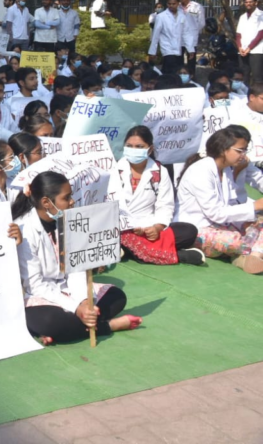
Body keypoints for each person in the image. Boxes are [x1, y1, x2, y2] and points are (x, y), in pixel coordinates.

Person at [14, 171, 141, 344]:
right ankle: (108, 326)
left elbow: (77, 268)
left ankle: (66, 330)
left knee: (116, 297)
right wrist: (76, 308)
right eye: (66, 198)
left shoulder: (71, 220)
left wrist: (84, 302)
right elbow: (36, 285)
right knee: (50, 321)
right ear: (46, 202)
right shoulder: (24, 229)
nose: (72, 201)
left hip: (68, 289)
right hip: (40, 296)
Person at [176, 125, 263, 274]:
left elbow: (232, 204)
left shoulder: (226, 168)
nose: (244, 155)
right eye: (239, 151)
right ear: (223, 149)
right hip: (198, 229)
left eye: (245, 150)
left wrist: (247, 220)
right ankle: (248, 253)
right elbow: (216, 213)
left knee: (258, 224)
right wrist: (255, 206)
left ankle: (253, 256)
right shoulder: (201, 170)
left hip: (223, 225)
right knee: (235, 241)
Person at [116, 126, 203, 266]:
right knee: (113, 234)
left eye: (139, 147)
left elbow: (165, 205)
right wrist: (126, 225)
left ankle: (127, 250)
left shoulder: (160, 172)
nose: (133, 150)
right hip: (119, 227)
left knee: (189, 231)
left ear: (150, 149)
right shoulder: (113, 169)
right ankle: (177, 255)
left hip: (147, 227)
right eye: (129, 146)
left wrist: (156, 228)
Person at [149, 0, 192, 74]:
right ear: (167, 4)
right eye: (169, 4)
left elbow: (186, 33)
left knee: (178, 70)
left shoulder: (182, 16)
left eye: (173, 4)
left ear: (178, 4)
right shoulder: (161, 17)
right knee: (170, 68)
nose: (171, 6)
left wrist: (190, 49)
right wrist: (152, 52)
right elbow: (156, 35)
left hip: (178, 48)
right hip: (167, 48)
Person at [236, 0, 263, 85]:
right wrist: (239, 47)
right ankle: (245, 93)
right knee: (243, 77)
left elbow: (260, 34)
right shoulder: (242, 17)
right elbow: (238, 34)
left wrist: (249, 48)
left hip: (257, 51)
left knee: (257, 78)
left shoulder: (261, 15)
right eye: (246, 2)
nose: (248, 4)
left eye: (251, 2)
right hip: (242, 51)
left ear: (256, 3)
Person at [178, 0, 205, 71]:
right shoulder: (177, 7)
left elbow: (201, 23)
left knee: (191, 60)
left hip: (191, 38)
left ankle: (191, 76)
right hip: (179, 38)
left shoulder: (197, 7)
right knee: (179, 61)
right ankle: (179, 77)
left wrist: (193, 31)